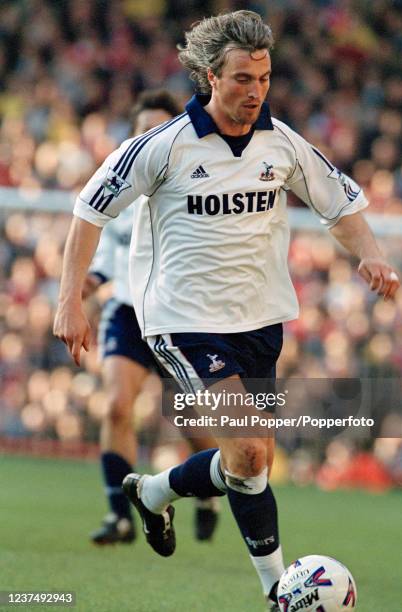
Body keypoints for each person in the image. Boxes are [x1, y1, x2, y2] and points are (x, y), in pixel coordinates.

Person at [54, 10, 400, 610]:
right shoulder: (162, 147)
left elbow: (338, 205)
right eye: (243, 78)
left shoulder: (283, 143)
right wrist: (68, 301)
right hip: (182, 321)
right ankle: (277, 593)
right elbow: (90, 209)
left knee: (254, 460)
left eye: (263, 78)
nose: (255, 90)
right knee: (245, 450)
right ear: (212, 76)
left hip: (261, 322)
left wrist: (370, 254)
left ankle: (155, 491)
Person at [82, 90, 220, 545]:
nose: (152, 138)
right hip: (127, 312)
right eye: (145, 130)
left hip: (177, 316)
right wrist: (79, 290)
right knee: (118, 405)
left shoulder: (192, 192)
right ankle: (119, 515)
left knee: (191, 422)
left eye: (161, 129)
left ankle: (205, 493)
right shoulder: (120, 195)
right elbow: (102, 256)